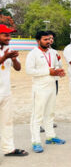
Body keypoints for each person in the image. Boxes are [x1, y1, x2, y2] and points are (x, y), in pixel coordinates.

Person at [25, 31, 66, 153]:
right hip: (39, 88)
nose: (48, 41)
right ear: (38, 41)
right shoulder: (33, 54)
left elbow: (55, 67)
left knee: (50, 113)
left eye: (49, 39)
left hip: (52, 86)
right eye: (45, 39)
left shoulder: (53, 52)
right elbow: (29, 71)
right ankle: (36, 141)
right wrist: (48, 71)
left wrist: (59, 72)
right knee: (37, 116)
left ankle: (50, 137)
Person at [0, 24, 28, 157]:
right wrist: (5, 57)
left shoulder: (8, 49)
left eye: (9, 35)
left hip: (5, 92)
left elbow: (18, 68)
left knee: (7, 121)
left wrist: (14, 59)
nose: (9, 37)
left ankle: (9, 149)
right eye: (5, 35)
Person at [40, 30, 59, 133]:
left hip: (54, 80)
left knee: (51, 102)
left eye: (51, 38)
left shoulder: (54, 52)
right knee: (42, 102)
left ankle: (48, 122)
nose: (50, 40)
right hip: (43, 81)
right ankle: (38, 124)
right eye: (47, 38)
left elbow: (59, 65)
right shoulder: (38, 52)